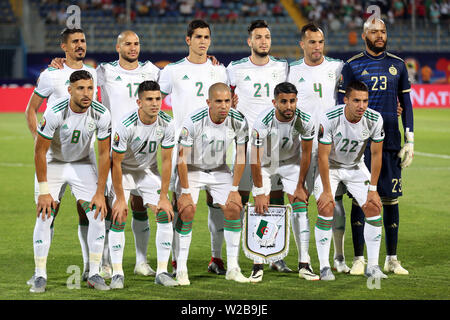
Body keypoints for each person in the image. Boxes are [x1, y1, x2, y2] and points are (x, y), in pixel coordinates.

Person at [49, 30, 161, 279]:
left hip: (143, 150)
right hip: (110, 148)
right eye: (128, 44)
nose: (133, 48)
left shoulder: (153, 71)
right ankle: (106, 262)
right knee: (109, 207)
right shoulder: (103, 71)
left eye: (137, 44)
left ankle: (141, 262)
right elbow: (76, 76)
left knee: (139, 205)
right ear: (118, 46)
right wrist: (59, 62)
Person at [338, 18, 414, 275]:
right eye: (374, 32)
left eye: (383, 31)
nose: (379, 35)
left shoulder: (398, 65)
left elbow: (407, 104)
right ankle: (359, 258)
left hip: (391, 140)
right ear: (364, 35)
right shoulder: (352, 65)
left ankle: (391, 258)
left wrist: (410, 139)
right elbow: (342, 105)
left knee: (391, 199)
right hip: (361, 144)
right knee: (361, 200)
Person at [25, 27, 98, 281]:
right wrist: (38, 139)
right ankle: (40, 272)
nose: (80, 45)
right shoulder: (50, 75)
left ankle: (92, 268)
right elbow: (31, 109)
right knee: (48, 211)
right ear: (64, 47)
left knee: (89, 211)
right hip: (54, 158)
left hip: (84, 157)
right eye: (75, 41)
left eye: (83, 41)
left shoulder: (93, 74)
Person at [30, 70, 111, 292]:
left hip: (82, 164)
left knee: (97, 213)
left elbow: (104, 154)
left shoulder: (101, 114)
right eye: (81, 88)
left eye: (90, 88)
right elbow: (39, 152)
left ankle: (94, 273)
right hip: (53, 163)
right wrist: (45, 191)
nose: (87, 94)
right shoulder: (55, 112)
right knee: (45, 214)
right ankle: (40, 274)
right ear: (69, 90)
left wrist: (100, 192)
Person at [159, 19, 229, 276]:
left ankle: (217, 258)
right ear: (188, 40)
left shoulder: (219, 70)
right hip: (186, 151)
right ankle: (178, 261)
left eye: (206, 37)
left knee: (218, 205)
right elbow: (153, 98)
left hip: (217, 150)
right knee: (184, 207)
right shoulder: (173, 71)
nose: (202, 41)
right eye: (198, 37)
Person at [226, 19, 290, 280]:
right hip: (243, 146)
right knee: (238, 201)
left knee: (275, 200)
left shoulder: (282, 68)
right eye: (258, 37)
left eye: (267, 37)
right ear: (249, 41)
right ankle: (233, 258)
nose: (264, 41)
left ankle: (275, 256)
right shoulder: (234, 69)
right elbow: (225, 98)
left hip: (274, 148)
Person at [287, 23, 351, 275]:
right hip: (299, 149)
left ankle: (339, 257)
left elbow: (359, 90)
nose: (317, 47)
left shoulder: (337, 67)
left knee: (333, 202)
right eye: (311, 42)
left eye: (320, 42)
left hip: (329, 149)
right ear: (301, 44)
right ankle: (304, 259)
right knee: (299, 201)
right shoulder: (289, 70)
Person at [174, 82, 250, 286]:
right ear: (208, 102)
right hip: (191, 169)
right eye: (218, 101)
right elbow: (181, 158)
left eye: (227, 101)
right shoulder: (194, 121)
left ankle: (233, 268)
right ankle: (181, 269)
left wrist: (234, 189)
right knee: (187, 210)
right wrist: (186, 192)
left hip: (218, 169)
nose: (224, 106)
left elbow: (241, 155)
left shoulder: (238, 120)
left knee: (235, 208)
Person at [314, 80, 386, 281]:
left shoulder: (374, 119)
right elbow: (322, 156)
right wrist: (327, 191)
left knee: (373, 207)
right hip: (330, 166)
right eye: (356, 100)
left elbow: (377, 155)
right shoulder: (330, 118)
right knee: (326, 207)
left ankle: (372, 266)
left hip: (355, 166)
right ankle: (325, 267)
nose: (361, 106)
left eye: (365, 101)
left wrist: (373, 189)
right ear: (345, 100)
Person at [109, 81, 177, 288]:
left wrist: (164, 196)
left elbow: (166, 161)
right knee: (119, 214)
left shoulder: (167, 123)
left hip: (147, 171)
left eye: (158, 99)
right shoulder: (125, 124)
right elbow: (116, 163)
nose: (155, 103)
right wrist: (121, 198)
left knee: (165, 213)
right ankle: (117, 273)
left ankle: (162, 272)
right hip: (124, 171)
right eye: (149, 99)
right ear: (139, 101)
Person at [250, 82, 318, 281]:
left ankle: (304, 263)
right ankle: (258, 263)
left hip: (290, 163)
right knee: (261, 208)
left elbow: (306, 154)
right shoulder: (263, 121)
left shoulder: (304, 120)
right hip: (265, 164)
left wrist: (300, 186)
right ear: (274, 102)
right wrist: (260, 191)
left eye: (292, 101)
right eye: (284, 102)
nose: (289, 106)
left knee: (300, 205)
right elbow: (254, 158)